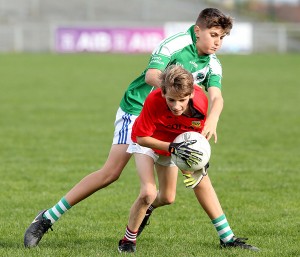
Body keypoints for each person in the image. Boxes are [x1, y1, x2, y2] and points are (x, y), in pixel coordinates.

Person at [23, 7, 249, 250]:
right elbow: (152, 75)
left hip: (169, 117)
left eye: (222, 37)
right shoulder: (175, 44)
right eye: (213, 35)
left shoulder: (213, 64)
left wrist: (212, 119)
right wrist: (175, 88)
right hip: (138, 108)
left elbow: (217, 97)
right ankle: (46, 218)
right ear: (197, 31)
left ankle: (223, 237)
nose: (217, 42)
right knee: (110, 173)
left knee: (179, 187)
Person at [117, 65, 259, 253]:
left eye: (182, 100)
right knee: (148, 193)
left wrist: (196, 162)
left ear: (191, 94)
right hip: (148, 142)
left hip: (175, 143)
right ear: (162, 93)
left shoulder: (200, 104)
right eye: (171, 100)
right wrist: (172, 147)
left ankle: (227, 238)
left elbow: (193, 139)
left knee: (171, 195)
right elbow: (140, 138)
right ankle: (128, 241)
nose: (176, 106)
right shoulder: (153, 100)